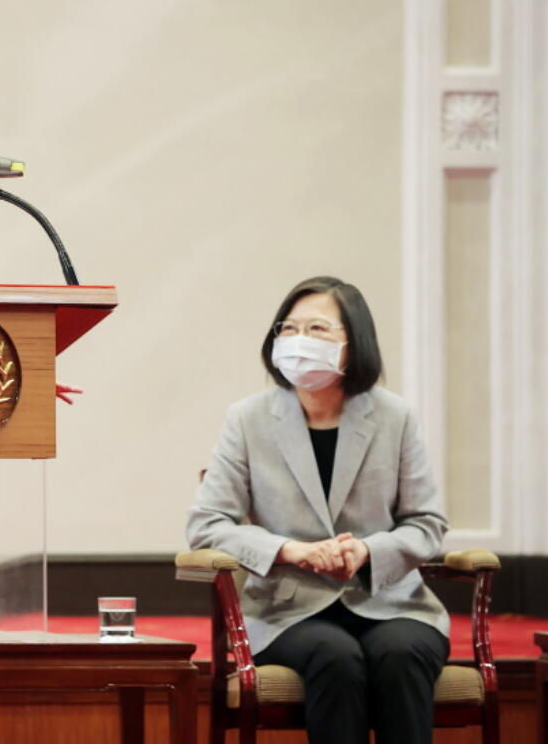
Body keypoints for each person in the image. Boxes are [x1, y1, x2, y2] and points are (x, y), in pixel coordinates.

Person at [186, 276, 450, 744]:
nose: (298, 341)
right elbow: (208, 526)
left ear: (354, 343)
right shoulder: (247, 419)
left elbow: (426, 524)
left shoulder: (395, 417)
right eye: (287, 329)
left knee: (401, 654)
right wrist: (291, 550)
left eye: (317, 329)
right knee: (335, 656)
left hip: (391, 603)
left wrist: (367, 552)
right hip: (289, 609)